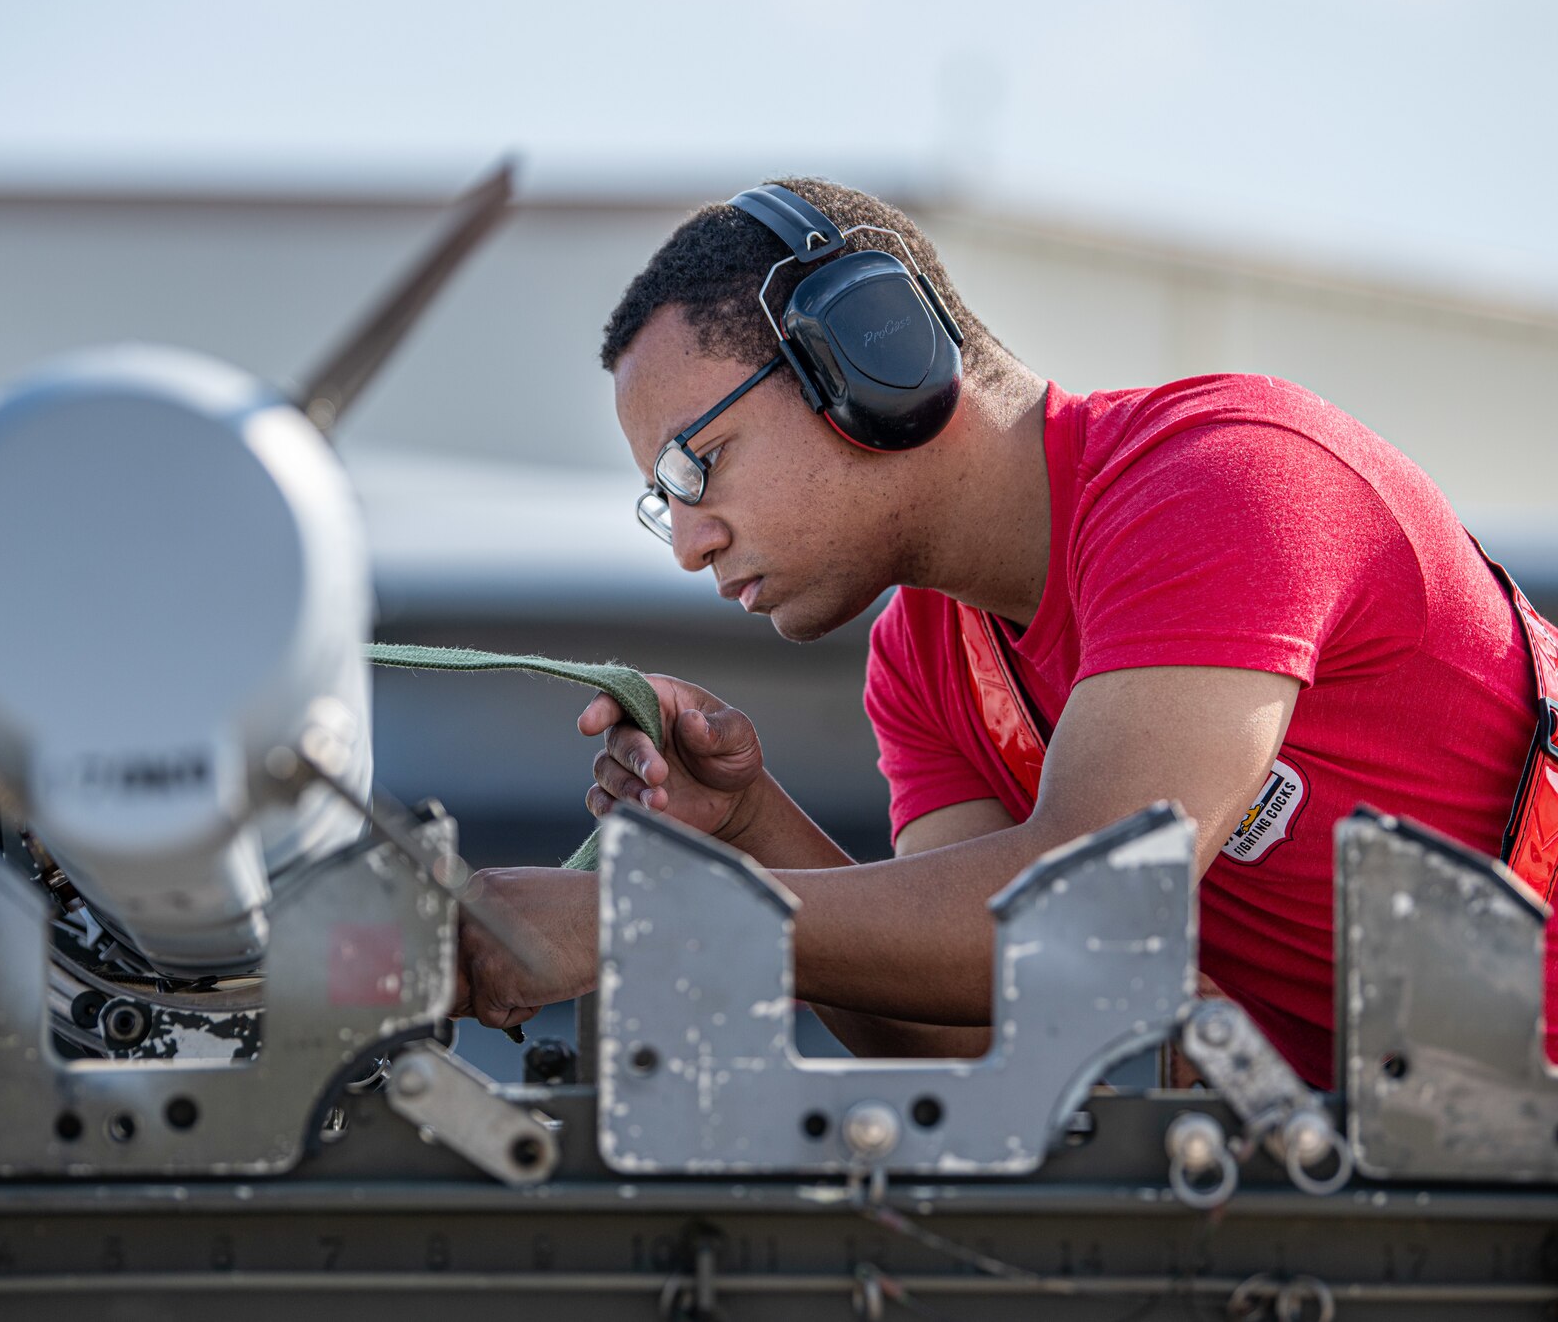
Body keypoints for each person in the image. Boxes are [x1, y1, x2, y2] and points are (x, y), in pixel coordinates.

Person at [452, 176, 1556, 1090]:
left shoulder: (1224, 479)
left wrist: (631, 919)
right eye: (661, 498)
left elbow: (1083, 909)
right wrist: (748, 826)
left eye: (698, 463)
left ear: (866, 354)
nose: (688, 542)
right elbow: (975, 1020)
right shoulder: (924, 662)